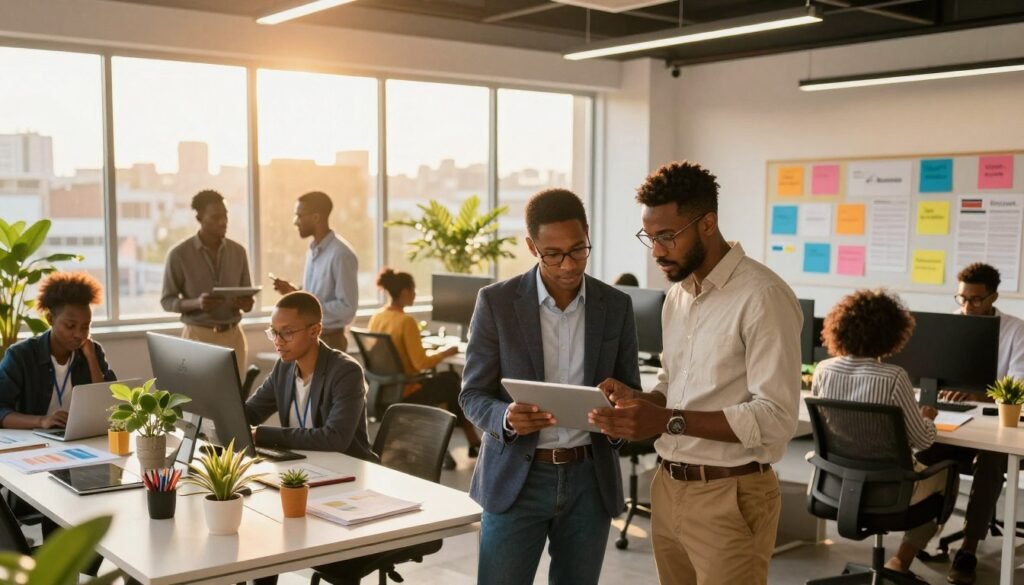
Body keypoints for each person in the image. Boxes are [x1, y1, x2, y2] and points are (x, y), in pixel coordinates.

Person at [588, 161, 802, 585]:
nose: (657, 251)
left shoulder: (763, 297)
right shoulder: (677, 298)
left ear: (708, 224)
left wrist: (666, 421)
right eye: (650, 237)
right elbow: (674, 389)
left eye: (667, 236)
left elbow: (776, 418)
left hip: (731, 493)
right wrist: (639, 400)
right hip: (668, 487)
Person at [459, 188, 642, 585]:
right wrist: (505, 416)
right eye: (553, 254)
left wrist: (620, 412)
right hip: (517, 479)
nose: (568, 265)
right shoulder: (497, 302)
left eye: (578, 250)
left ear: (588, 236)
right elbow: (471, 394)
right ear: (532, 246)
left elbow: (631, 390)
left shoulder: (615, 306)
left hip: (588, 479)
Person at [811, 289, 947, 577]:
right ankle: (903, 558)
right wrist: (927, 417)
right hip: (890, 492)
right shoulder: (894, 377)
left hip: (837, 485)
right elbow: (922, 440)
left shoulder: (823, 370)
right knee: (945, 474)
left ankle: (897, 561)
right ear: (892, 334)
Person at [913, 262, 1024, 584]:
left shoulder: (1015, 330)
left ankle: (969, 549)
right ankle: (916, 537)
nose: (966, 306)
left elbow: (1018, 385)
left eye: (975, 299)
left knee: (990, 461)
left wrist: (980, 394)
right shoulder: (950, 323)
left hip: (996, 425)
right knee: (923, 452)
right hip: (950, 417)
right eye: (962, 298)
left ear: (993, 297)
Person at [243, 291, 375, 461]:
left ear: (315, 331)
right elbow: (251, 412)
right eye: (274, 332)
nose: (278, 341)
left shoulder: (346, 372)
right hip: (301, 465)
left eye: (287, 332)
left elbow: (335, 438)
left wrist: (261, 434)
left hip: (346, 467)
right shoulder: (283, 368)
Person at [368, 268, 481, 456]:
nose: (414, 295)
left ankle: (470, 440)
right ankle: (471, 438)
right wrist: (444, 353)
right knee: (452, 381)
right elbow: (420, 363)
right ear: (405, 292)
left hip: (383, 390)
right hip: (407, 390)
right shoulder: (406, 322)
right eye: (414, 291)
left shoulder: (378, 316)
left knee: (448, 380)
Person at [0, 271, 116, 429]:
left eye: (85, 327)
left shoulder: (92, 351)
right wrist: (42, 421)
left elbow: (108, 405)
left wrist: (91, 358)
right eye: (70, 326)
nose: (79, 334)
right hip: (34, 439)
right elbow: (1, 410)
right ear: (50, 319)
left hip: (78, 437)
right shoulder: (20, 355)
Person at [161, 189, 254, 377]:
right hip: (197, 337)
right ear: (200, 217)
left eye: (225, 215)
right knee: (197, 402)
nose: (223, 221)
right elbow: (167, 301)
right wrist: (197, 303)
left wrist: (247, 303)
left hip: (234, 336)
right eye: (216, 216)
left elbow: (249, 302)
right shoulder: (179, 254)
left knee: (233, 401)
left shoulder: (239, 252)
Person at [271, 191, 358, 352]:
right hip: (309, 339)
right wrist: (293, 292)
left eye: (300, 216)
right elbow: (313, 297)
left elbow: (347, 308)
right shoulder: (312, 251)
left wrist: (309, 312)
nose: (296, 222)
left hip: (330, 341)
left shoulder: (341, 254)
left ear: (316, 217)